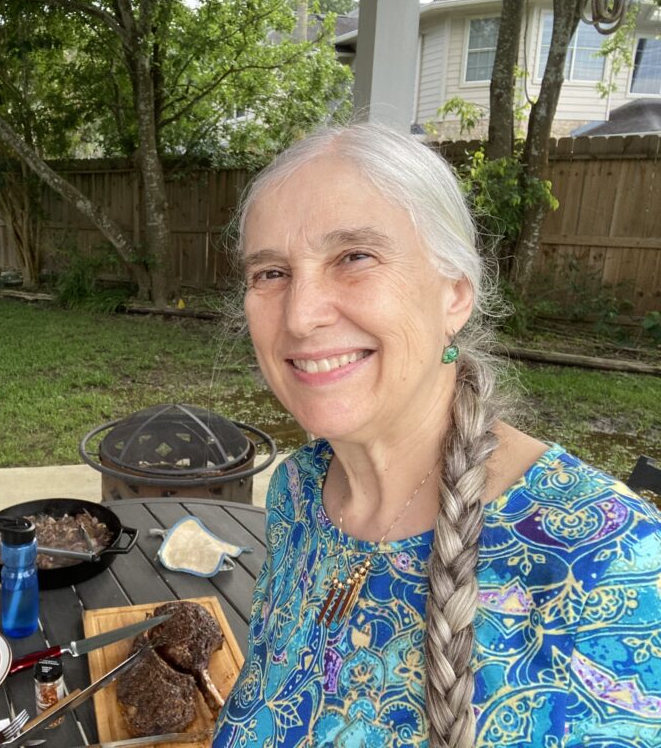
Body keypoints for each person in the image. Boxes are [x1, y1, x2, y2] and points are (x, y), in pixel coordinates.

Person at [212, 123, 661, 748]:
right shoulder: (299, 489)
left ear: (455, 293)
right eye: (270, 272)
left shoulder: (608, 563)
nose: (300, 313)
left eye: (355, 257)